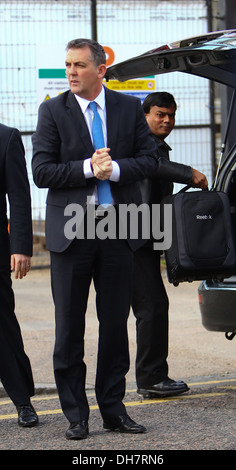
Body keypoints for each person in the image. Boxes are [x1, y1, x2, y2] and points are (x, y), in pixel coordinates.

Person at [32, 38, 162, 440]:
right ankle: (76, 414)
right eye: (67, 65)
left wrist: (116, 170)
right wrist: (89, 167)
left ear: (100, 69)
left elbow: (150, 159)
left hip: (117, 229)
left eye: (79, 65)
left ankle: (113, 408)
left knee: (114, 325)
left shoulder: (126, 108)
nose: (71, 72)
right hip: (71, 230)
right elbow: (41, 170)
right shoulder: (53, 110)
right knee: (69, 326)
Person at [132, 91, 208, 398]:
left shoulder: (155, 147)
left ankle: (149, 376)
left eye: (171, 115)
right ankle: (150, 377)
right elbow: (150, 166)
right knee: (151, 306)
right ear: (145, 115)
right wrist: (189, 173)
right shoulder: (143, 146)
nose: (167, 120)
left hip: (143, 237)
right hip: (130, 237)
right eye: (160, 114)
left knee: (150, 306)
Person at [0, 123, 38, 427]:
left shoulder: (6, 137)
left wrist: (21, 247)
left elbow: (19, 197)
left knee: (3, 326)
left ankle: (22, 400)